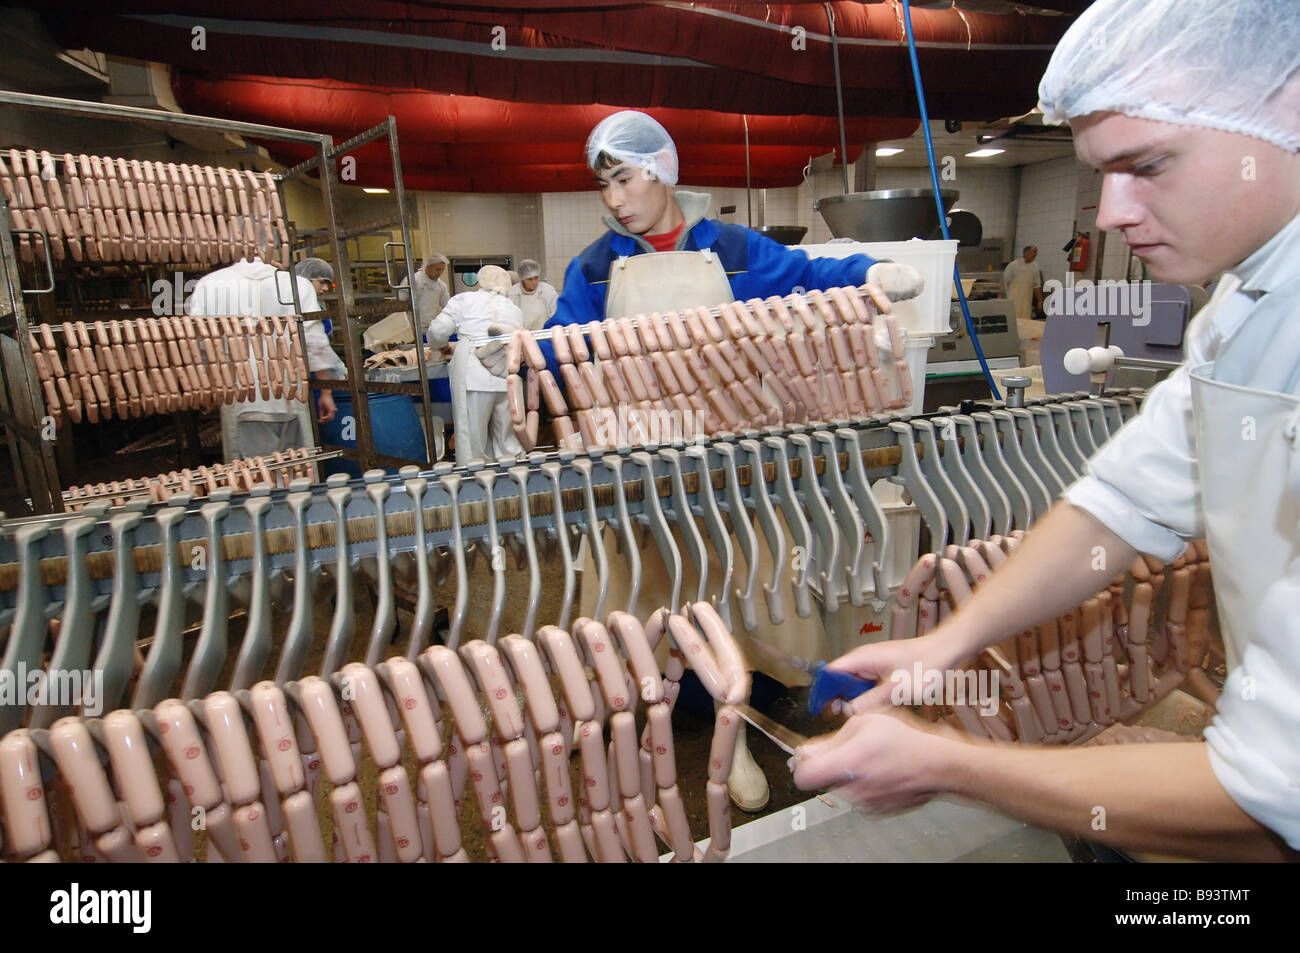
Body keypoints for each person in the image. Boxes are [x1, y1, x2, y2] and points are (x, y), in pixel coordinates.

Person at [793, 0, 1300, 861]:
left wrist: (952, 764)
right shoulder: (1246, 307)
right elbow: (1122, 504)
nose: (1108, 215)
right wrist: (948, 642)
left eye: (1147, 165)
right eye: (1101, 173)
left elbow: (1272, 794)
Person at [477, 109, 926, 812]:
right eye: (603, 185)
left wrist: (873, 271)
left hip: (726, 469)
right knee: (639, 598)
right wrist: (529, 359)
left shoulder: (737, 249)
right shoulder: (594, 268)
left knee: (739, 597)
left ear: (662, 170)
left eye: (623, 178)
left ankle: (737, 734)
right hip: (635, 466)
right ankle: (621, 718)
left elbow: (809, 276)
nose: (613, 198)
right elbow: (569, 342)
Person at [187, 255, 339, 463]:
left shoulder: (209, 284)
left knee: (250, 476)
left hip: (239, 396)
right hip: (290, 394)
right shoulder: (298, 285)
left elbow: (201, 347)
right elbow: (315, 343)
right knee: (297, 470)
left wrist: (208, 389)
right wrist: (326, 391)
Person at [425, 264, 524, 464]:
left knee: (472, 439)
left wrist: (441, 346)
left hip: (473, 376)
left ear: (481, 281)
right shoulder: (514, 309)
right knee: (507, 439)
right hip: (506, 376)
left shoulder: (464, 300)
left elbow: (437, 332)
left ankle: (478, 484)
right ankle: (515, 481)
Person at [398, 252, 450, 340]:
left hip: (430, 328)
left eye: (442, 270)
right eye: (437, 269)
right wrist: (408, 326)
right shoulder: (413, 280)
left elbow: (448, 306)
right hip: (411, 328)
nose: (440, 273)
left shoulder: (441, 285)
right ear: (429, 267)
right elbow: (400, 302)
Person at [509, 259, 558, 330]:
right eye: (530, 279)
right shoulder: (513, 292)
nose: (534, 282)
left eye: (536, 278)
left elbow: (555, 314)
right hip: (522, 336)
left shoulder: (547, 290)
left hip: (544, 335)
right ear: (522, 279)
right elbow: (511, 319)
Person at [1002, 244, 1043, 322]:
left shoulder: (1035, 267)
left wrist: (1040, 301)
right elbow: (1004, 282)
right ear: (1026, 253)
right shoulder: (1013, 265)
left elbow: (1037, 286)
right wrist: (1002, 297)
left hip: (1027, 302)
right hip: (1012, 301)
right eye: (1034, 252)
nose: (1036, 254)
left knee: (1025, 323)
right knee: (1012, 321)